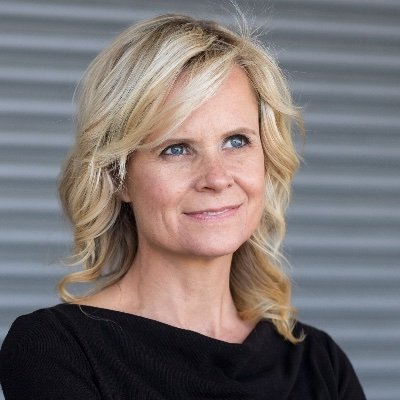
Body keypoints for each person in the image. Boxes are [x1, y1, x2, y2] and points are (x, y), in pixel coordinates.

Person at [0, 14, 366, 399]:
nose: (217, 176)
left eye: (237, 141)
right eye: (176, 149)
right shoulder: (57, 349)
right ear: (118, 176)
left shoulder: (319, 364)